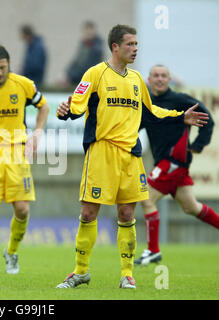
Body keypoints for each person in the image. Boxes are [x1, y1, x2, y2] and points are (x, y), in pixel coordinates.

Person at [55, 24, 209, 289]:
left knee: (127, 213)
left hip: (131, 155)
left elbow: (152, 112)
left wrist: (179, 117)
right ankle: (80, 272)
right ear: (115, 47)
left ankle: (127, 274)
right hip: (101, 152)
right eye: (130, 44)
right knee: (89, 212)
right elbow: (77, 105)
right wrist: (65, 111)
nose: (135, 49)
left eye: (137, 44)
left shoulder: (137, 79)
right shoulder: (95, 73)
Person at [135, 65, 217, 265]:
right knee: (191, 207)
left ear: (170, 79)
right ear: (149, 79)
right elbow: (136, 127)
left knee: (146, 199)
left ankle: (153, 250)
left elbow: (208, 120)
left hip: (173, 162)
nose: (160, 79)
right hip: (166, 162)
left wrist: (198, 145)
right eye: (156, 76)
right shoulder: (148, 104)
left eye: (164, 76)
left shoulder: (180, 100)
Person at [0, 45, 50, 273]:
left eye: (3, 68)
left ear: (9, 65)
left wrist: (37, 133)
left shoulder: (23, 85)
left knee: (22, 209)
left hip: (17, 151)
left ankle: (11, 252)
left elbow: (44, 106)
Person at [65, 21, 103, 87]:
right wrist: (69, 73)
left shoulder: (97, 48)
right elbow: (76, 60)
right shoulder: (83, 44)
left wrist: (72, 77)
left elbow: (88, 66)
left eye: (90, 31)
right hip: (79, 79)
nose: (88, 33)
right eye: (86, 31)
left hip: (87, 81)